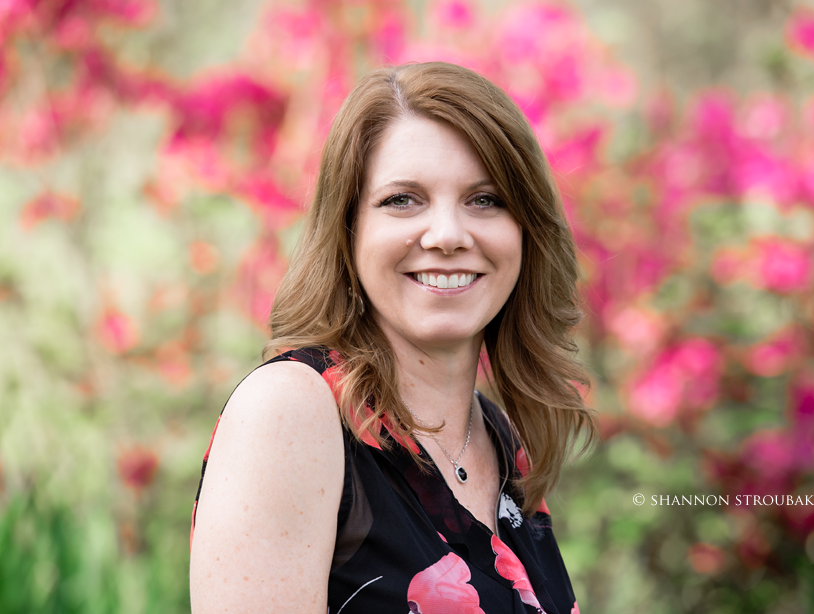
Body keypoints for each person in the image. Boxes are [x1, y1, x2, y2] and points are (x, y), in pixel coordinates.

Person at [189, 61, 596, 614]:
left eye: (486, 199)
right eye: (403, 199)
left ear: (525, 230)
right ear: (349, 229)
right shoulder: (291, 411)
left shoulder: (499, 438)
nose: (448, 235)